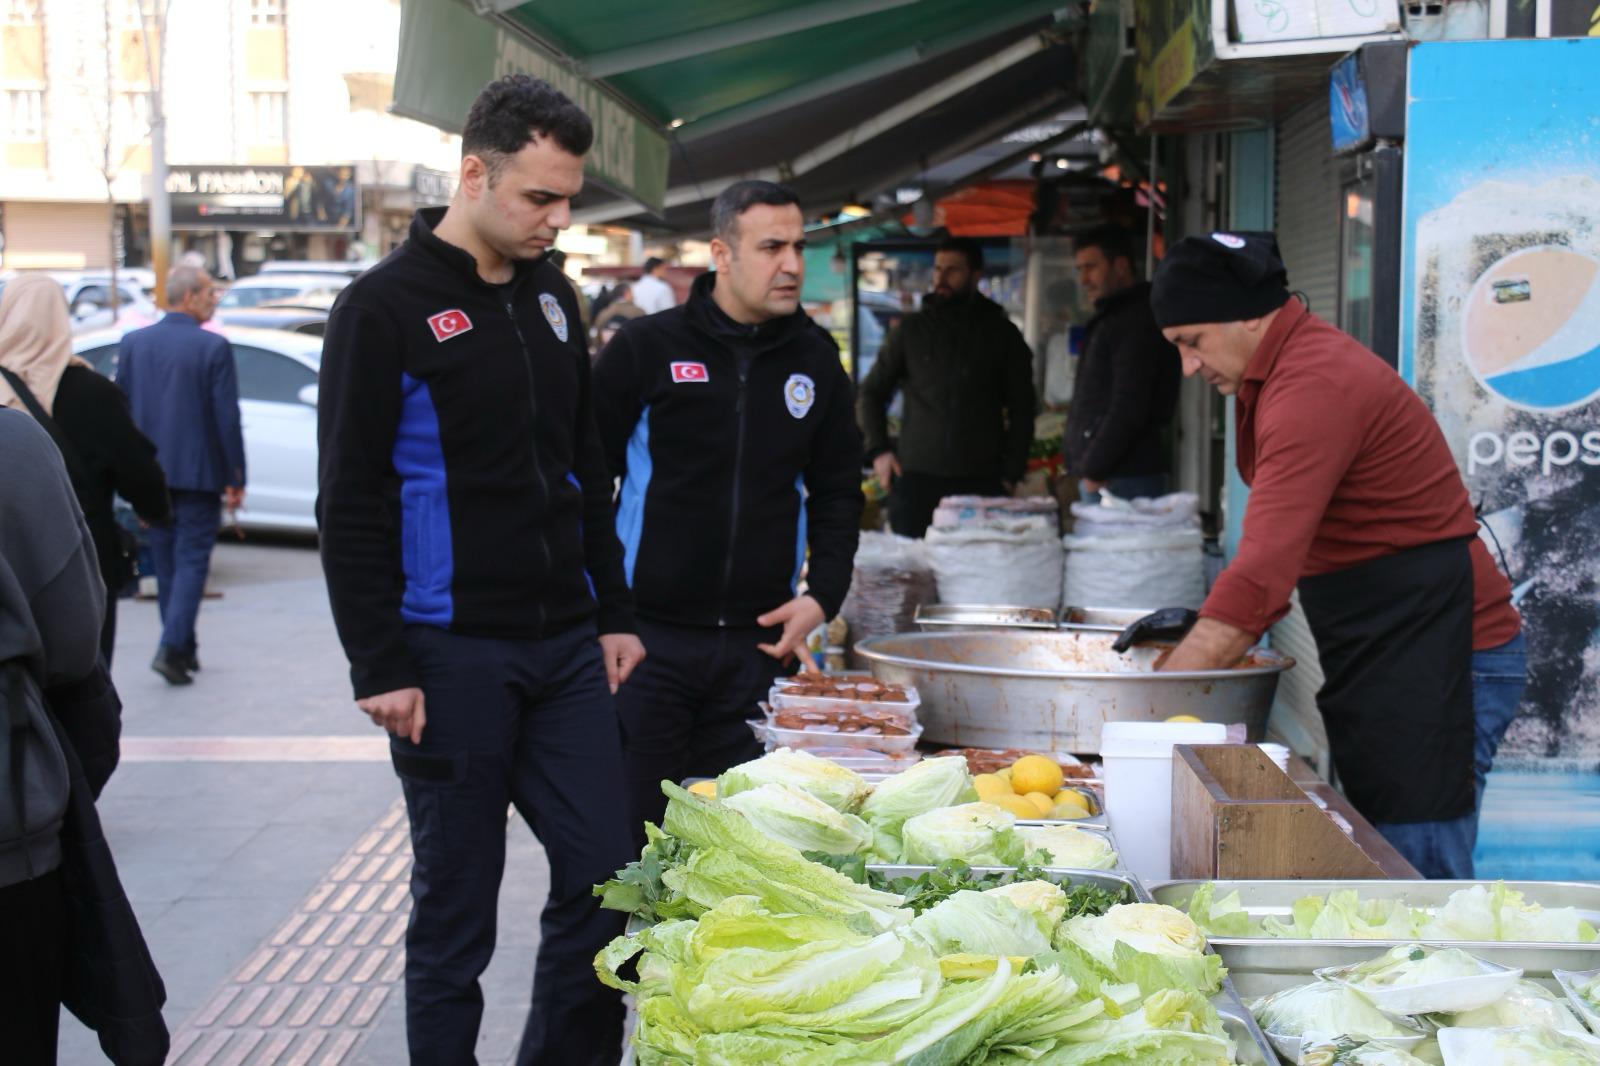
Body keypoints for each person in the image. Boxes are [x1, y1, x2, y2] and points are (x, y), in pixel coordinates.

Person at [316, 74, 644, 1066]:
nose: (557, 219)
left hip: (562, 649)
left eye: (568, 198)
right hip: (448, 657)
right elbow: (349, 499)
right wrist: (380, 661)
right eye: (538, 197)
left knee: (609, 881)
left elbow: (582, 463)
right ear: (473, 174)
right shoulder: (383, 309)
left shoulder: (553, 295)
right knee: (455, 918)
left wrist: (614, 608)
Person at [1149, 232, 1523, 879]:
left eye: (1192, 341)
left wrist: (1146, 715)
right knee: (1384, 864)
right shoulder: (1273, 373)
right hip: (1388, 645)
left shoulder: (1312, 384)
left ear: (1247, 315)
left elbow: (1261, 581)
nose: (1188, 366)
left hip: (1443, 648)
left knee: (1419, 878)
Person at [593, 180, 864, 842]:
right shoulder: (646, 348)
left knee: (733, 854)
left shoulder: (815, 360)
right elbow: (583, 486)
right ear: (722, 253)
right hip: (647, 647)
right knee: (625, 850)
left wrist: (821, 596)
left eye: (798, 246)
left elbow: (836, 489)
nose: (793, 264)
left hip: (757, 649)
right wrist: (604, 614)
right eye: (772, 246)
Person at [0, 274, 170, 667]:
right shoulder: (89, 392)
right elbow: (136, 466)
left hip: (7, 558)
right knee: (83, 677)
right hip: (78, 556)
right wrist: (156, 511)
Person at [115, 265, 245, 686]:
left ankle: (182, 647)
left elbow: (124, 413)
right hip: (200, 473)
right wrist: (235, 476)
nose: (214, 299)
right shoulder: (212, 347)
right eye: (210, 292)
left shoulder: (135, 344)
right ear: (188, 296)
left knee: (169, 563)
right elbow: (226, 418)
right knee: (190, 563)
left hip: (151, 475)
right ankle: (172, 648)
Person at [857, 237, 1036, 537]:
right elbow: (870, 393)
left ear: (975, 275)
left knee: (976, 575)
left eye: (952, 270)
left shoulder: (1002, 334)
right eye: (938, 268)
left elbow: (1023, 408)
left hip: (981, 479)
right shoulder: (911, 331)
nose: (941, 277)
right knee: (913, 574)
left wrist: (1011, 473)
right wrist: (878, 451)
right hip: (916, 477)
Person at [1063, 225, 1180, 503]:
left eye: (1091, 267)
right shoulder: (1114, 317)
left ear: (1121, 266)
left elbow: (1129, 405)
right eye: (1079, 269)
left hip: (1122, 479)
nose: (1084, 279)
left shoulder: (1135, 320)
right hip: (1110, 475)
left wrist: (1093, 468)